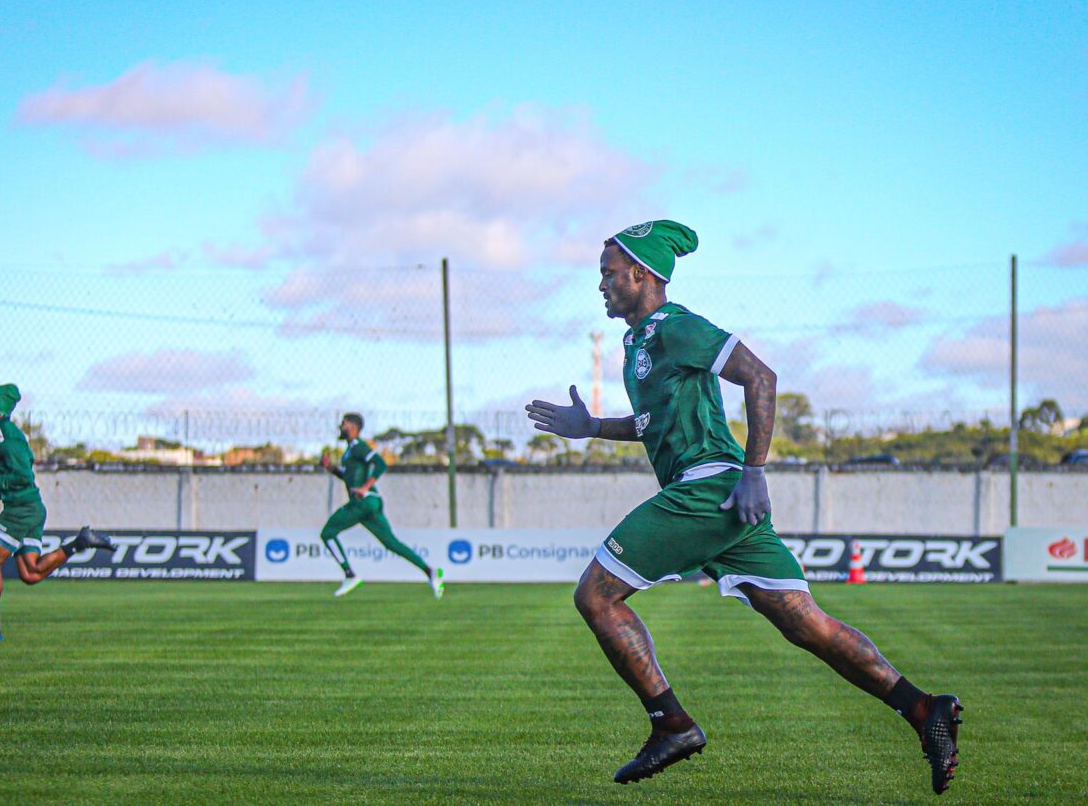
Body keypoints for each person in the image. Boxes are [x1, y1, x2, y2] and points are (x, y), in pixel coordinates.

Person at [525, 221, 962, 793]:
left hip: (709, 490)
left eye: (608, 273)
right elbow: (652, 423)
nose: (601, 284)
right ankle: (924, 709)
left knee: (596, 596)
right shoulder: (638, 341)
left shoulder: (676, 326)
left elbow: (760, 377)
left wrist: (754, 470)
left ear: (641, 273)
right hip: (724, 498)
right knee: (806, 624)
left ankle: (672, 724)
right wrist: (592, 427)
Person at [0, 384, 116, 642]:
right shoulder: (2, 434)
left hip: (22, 510)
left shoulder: (6, 435)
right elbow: (17, 474)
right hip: (30, 507)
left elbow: (22, 476)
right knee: (30, 573)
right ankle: (80, 542)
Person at [320, 413, 444, 599]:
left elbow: (380, 463)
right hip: (371, 503)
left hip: (363, 502)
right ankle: (430, 572)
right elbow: (348, 476)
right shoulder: (350, 451)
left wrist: (365, 487)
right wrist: (331, 468)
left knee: (328, 533)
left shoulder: (358, 447)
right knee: (391, 543)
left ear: (353, 427)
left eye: (344, 423)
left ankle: (350, 575)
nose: (341, 426)